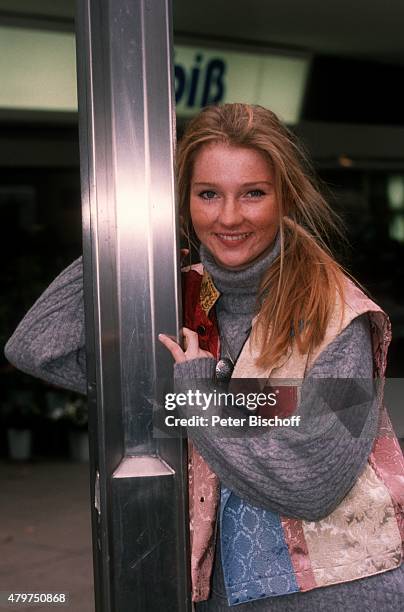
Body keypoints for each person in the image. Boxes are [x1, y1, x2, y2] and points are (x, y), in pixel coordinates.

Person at [5, 103, 404, 611]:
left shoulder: (336, 315)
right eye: (208, 194)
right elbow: (35, 347)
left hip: (339, 595)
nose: (229, 216)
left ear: (285, 197)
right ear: (182, 202)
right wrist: (133, 237)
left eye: (253, 193)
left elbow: (310, 488)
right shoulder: (177, 297)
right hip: (220, 593)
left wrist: (195, 398)